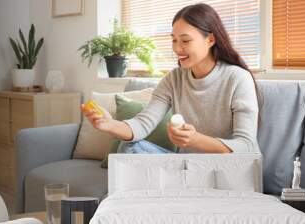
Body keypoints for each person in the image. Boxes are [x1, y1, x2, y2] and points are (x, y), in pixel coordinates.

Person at [82, 3, 262, 154]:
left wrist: (196, 140)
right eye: (174, 40)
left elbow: (246, 146)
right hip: (185, 168)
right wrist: (109, 124)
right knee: (130, 149)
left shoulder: (238, 78)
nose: (177, 48)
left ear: (210, 40)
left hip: (227, 170)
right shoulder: (174, 79)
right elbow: (142, 124)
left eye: (185, 41)